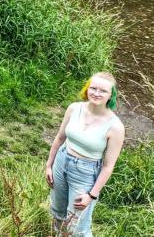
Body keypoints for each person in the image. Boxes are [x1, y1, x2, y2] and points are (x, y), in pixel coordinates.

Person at [45, 72, 125, 236]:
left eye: (103, 91)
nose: (96, 93)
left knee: (77, 225)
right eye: (93, 88)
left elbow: (108, 166)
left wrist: (91, 195)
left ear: (111, 95)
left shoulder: (116, 127)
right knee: (57, 213)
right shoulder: (74, 108)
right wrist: (49, 165)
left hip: (85, 172)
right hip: (61, 160)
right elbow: (60, 137)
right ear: (87, 89)